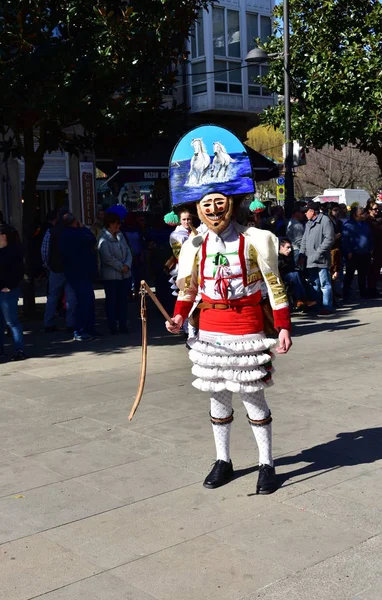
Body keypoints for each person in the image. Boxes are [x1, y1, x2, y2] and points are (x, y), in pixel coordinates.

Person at [165, 125, 292, 495]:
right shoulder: (192, 246)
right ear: (197, 210)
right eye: (206, 205)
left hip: (248, 326)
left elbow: (275, 286)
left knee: (252, 394)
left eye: (219, 202)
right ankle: (223, 460)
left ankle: (267, 464)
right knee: (218, 394)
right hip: (210, 330)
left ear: (231, 204)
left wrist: (283, 327)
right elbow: (188, 289)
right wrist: (177, 316)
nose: (213, 210)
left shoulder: (258, 240)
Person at [59, 214, 98, 341]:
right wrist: (83, 228)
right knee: (85, 302)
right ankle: (80, 331)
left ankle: (88, 329)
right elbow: (92, 239)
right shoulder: (78, 234)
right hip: (80, 272)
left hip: (75, 272)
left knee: (87, 301)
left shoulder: (64, 235)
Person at [43, 207, 77, 333]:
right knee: (71, 297)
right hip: (70, 267)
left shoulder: (51, 231)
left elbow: (45, 251)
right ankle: (70, 323)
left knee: (52, 296)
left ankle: (48, 323)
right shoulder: (73, 230)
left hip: (56, 268)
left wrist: (48, 265)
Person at [298, 201, 335, 315]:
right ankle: (316, 305)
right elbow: (304, 240)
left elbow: (329, 239)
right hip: (310, 260)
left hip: (321, 259)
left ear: (312, 211)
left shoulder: (325, 220)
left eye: (306, 211)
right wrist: (301, 254)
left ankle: (327, 306)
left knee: (325, 283)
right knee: (314, 284)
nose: (304, 214)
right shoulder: (308, 223)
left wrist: (318, 252)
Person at [98, 212, 132, 334]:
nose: (119, 226)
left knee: (123, 301)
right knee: (112, 301)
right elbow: (106, 257)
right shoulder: (103, 238)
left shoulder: (121, 235)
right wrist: (120, 267)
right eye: (116, 223)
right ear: (110, 224)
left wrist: (127, 265)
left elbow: (128, 251)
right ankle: (112, 325)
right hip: (111, 276)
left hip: (124, 275)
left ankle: (123, 324)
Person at [0, 224, 25, 361]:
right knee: (3, 322)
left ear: (3, 236)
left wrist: (10, 286)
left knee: (12, 322)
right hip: (3, 290)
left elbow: (18, 272)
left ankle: (19, 350)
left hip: (8, 292)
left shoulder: (12, 252)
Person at [342, 206, 373, 301]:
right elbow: (345, 240)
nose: (363, 215)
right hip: (353, 253)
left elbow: (370, 237)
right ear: (355, 215)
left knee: (363, 274)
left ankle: (363, 292)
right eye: (361, 213)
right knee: (350, 274)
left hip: (365, 253)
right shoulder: (348, 225)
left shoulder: (365, 224)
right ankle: (346, 294)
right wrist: (348, 251)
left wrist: (370, 248)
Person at [278, 238, 315, 310]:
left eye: (290, 248)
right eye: (287, 248)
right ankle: (301, 299)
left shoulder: (289, 256)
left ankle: (304, 299)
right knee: (294, 275)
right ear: (281, 247)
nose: (289, 250)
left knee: (298, 275)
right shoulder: (276, 257)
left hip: (290, 275)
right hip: (280, 276)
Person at [364, 202, 382, 298]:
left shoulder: (378, 220)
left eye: (378, 209)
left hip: (379, 248)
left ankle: (373, 288)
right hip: (371, 249)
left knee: (376, 270)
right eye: (375, 209)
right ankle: (369, 290)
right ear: (370, 210)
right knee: (370, 271)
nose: (377, 211)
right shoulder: (367, 221)